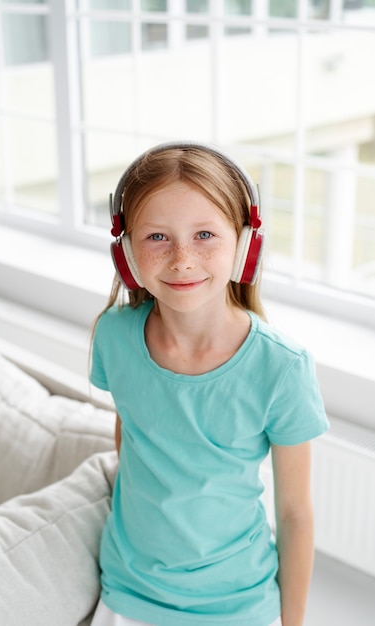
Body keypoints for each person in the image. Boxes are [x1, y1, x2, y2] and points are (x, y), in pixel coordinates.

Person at [89, 141, 329, 626]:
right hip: (131, 589)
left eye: (204, 234)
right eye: (157, 236)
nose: (181, 258)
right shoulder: (113, 335)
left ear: (245, 246)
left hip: (236, 602)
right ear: (126, 253)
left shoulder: (282, 368)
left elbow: (295, 514)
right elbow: (128, 435)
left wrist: (293, 622)